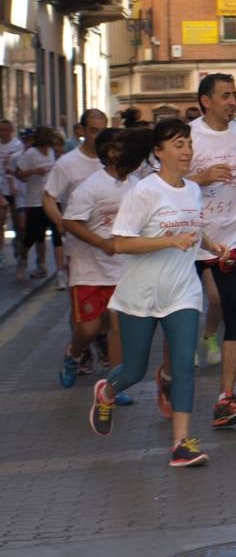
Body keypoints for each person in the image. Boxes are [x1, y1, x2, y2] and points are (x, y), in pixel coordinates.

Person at [88, 119, 234, 467]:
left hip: (182, 293)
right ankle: (107, 391)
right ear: (158, 151)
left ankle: (181, 443)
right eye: (178, 145)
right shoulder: (145, 191)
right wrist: (169, 240)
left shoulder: (193, 190)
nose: (186, 151)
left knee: (184, 365)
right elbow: (120, 242)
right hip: (139, 295)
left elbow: (193, 229)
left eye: (188, 144)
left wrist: (213, 244)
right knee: (134, 371)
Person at [188, 73, 236, 427]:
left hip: (232, 237)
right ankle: (169, 376)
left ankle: (225, 398)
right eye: (226, 96)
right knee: (181, 318)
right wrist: (200, 178)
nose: (234, 102)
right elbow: (163, 182)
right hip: (188, 239)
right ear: (206, 101)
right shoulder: (186, 135)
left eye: (235, 95)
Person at [58, 128, 138, 402]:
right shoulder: (92, 186)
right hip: (89, 269)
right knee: (89, 330)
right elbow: (69, 222)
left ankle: (114, 386)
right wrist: (102, 243)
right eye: (127, 146)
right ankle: (73, 354)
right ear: (112, 153)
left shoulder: (136, 183)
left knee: (119, 326)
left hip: (121, 270)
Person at [43, 109, 108, 290]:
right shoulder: (67, 162)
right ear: (82, 130)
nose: (99, 136)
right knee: (84, 316)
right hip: (81, 252)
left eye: (103, 131)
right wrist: (59, 220)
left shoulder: (114, 161)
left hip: (114, 252)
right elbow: (49, 196)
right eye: (94, 131)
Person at [14, 126, 58, 281]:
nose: (48, 146)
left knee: (44, 236)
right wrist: (33, 171)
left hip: (50, 199)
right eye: (46, 143)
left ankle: (42, 265)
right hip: (34, 201)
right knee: (31, 236)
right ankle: (22, 258)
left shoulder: (51, 152)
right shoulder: (31, 154)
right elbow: (18, 174)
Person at [0, 119, 25, 257]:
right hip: (1, 187)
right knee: (1, 219)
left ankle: (18, 242)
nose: (2, 133)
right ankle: (1, 251)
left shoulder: (17, 145)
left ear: (10, 130)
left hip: (15, 188)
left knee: (18, 222)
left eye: (5, 130)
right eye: (0, 130)